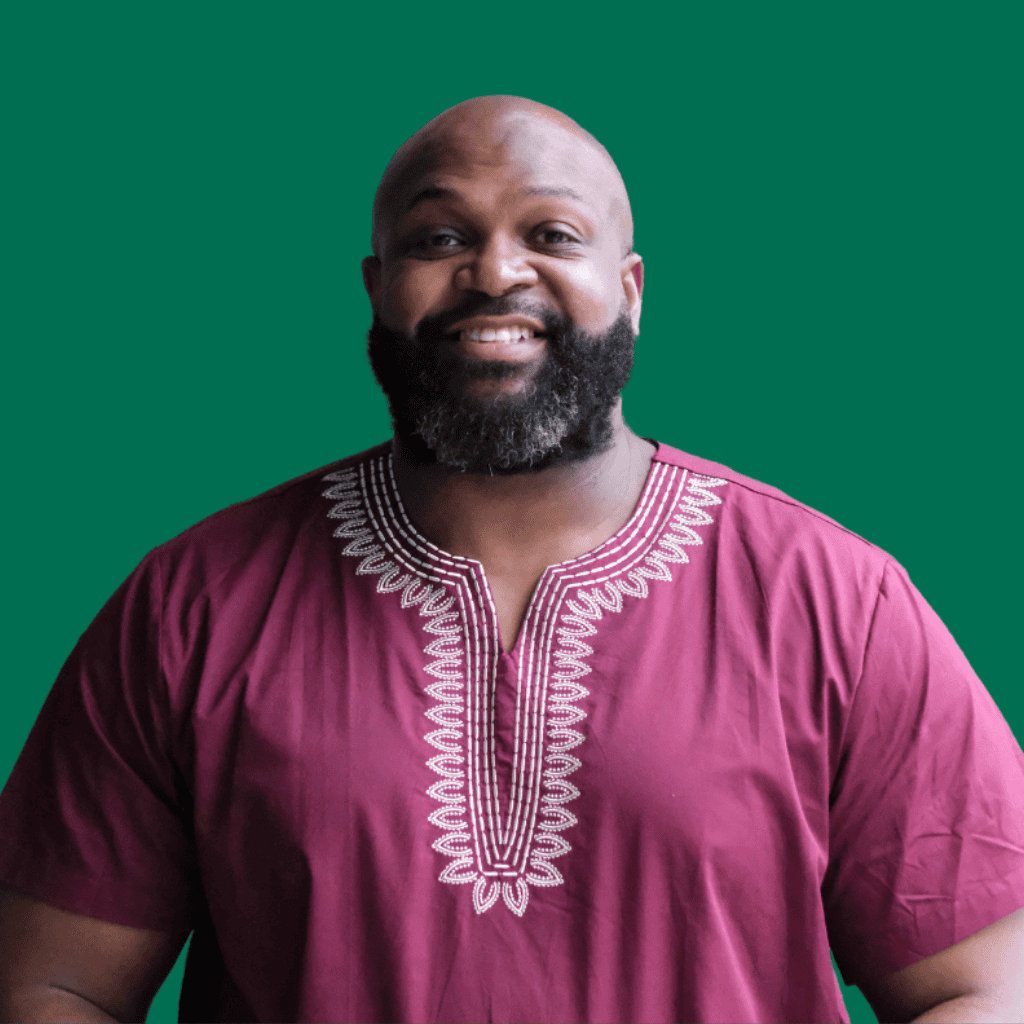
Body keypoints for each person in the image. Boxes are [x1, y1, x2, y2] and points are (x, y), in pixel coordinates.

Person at [1, 94, 1022, 1024]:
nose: (494, 272)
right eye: (440, 237)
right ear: (377, 287)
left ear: (628, 288)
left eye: (550, 235)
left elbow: (983, 983)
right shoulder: (195, 605)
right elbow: (54, 982)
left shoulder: (831, 600)